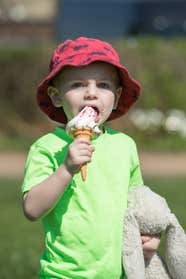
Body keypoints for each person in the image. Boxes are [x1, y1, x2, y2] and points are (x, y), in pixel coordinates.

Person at [21, 37, 160, 279]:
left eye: (104, 85)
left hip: (118, 272)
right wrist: (66, 168)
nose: (91, 94)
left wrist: (147, 235)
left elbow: (138, 204)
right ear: (55, 96)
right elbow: (32, 209)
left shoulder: (125, 146)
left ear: (116, 97)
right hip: (64, 273)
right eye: (78, 84)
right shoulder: (47, 147)